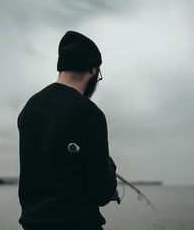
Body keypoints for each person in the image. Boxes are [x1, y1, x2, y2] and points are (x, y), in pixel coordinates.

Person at [17, 31, 118, 230]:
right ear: (93, 70)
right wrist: (110, 169)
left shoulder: (29, 109)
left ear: (62, 67)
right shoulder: (89, 113)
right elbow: (102, 193)